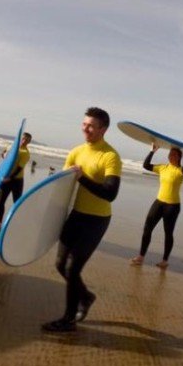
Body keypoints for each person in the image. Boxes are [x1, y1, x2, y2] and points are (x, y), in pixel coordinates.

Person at [44, 108, 123, 333]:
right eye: (84, 124)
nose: (85, 128)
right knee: (61, 265)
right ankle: (86, 296)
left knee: (72, 267)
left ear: (103, 129)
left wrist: (82, 178)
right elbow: (62, 187)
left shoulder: (110, 156)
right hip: (76, 214)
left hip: (97, 220)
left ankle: (68, 319)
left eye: (91, 125)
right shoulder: (76, 151)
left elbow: (110, 193)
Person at [133, 143, 183, 267]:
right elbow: (146, 165)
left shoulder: (180, 170)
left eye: (174, 154)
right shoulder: (162, 168)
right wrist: (152, 151)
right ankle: (141, 256)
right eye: (170, 154)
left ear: (179, 157)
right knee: (147, 229)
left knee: (168, 233)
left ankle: (165, 261)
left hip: (172, 206)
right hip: (159, 202)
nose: (171, 156)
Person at [0, 132, 31, 232]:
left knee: (16, 203)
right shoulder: (11, 147)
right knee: (1, 201)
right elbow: (3, 155)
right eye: (23, 139)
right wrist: (3, 155)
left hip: (16, 180)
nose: (24, 141)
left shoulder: (25, 153)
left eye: (26, 140)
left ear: (29, 142)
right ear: (20, 138)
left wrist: (10, 178)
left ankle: (15, 224)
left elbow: (19, 168)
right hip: (5, 178)